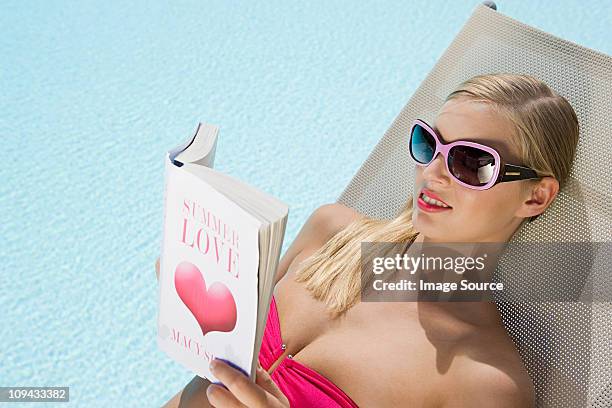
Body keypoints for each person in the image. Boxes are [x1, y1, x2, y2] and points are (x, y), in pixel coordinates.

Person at [155, 73, 579, 407]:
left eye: (471, 162)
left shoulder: (482, 381)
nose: (432, 173)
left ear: (536, 196)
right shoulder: (331, 232)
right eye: (428, 144)